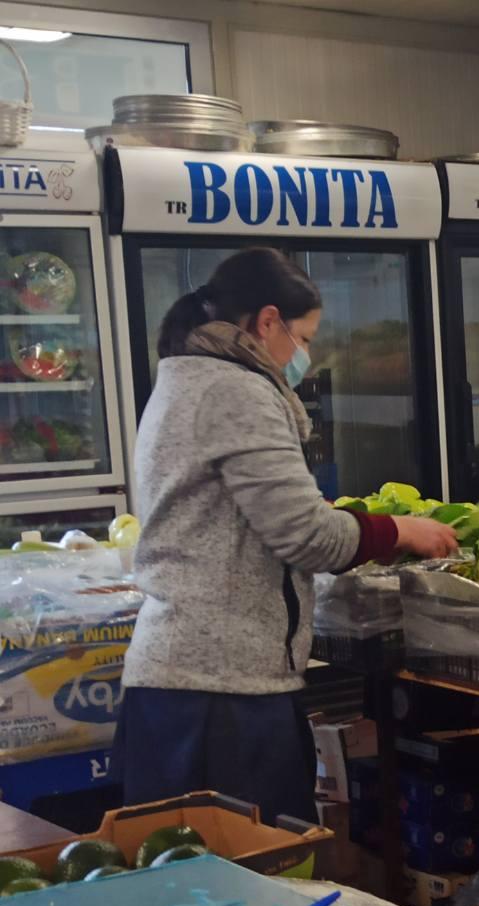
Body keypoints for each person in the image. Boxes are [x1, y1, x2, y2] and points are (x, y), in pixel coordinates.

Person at [117, 248, 458, 823]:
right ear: (267, 321)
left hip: (184, 685)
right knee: (255, 890)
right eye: (305, 337)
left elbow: (254, 514)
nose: (308, 356)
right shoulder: (235, 390)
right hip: (219, 694)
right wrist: (402, 530)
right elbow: (307, 537)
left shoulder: (186, 379)